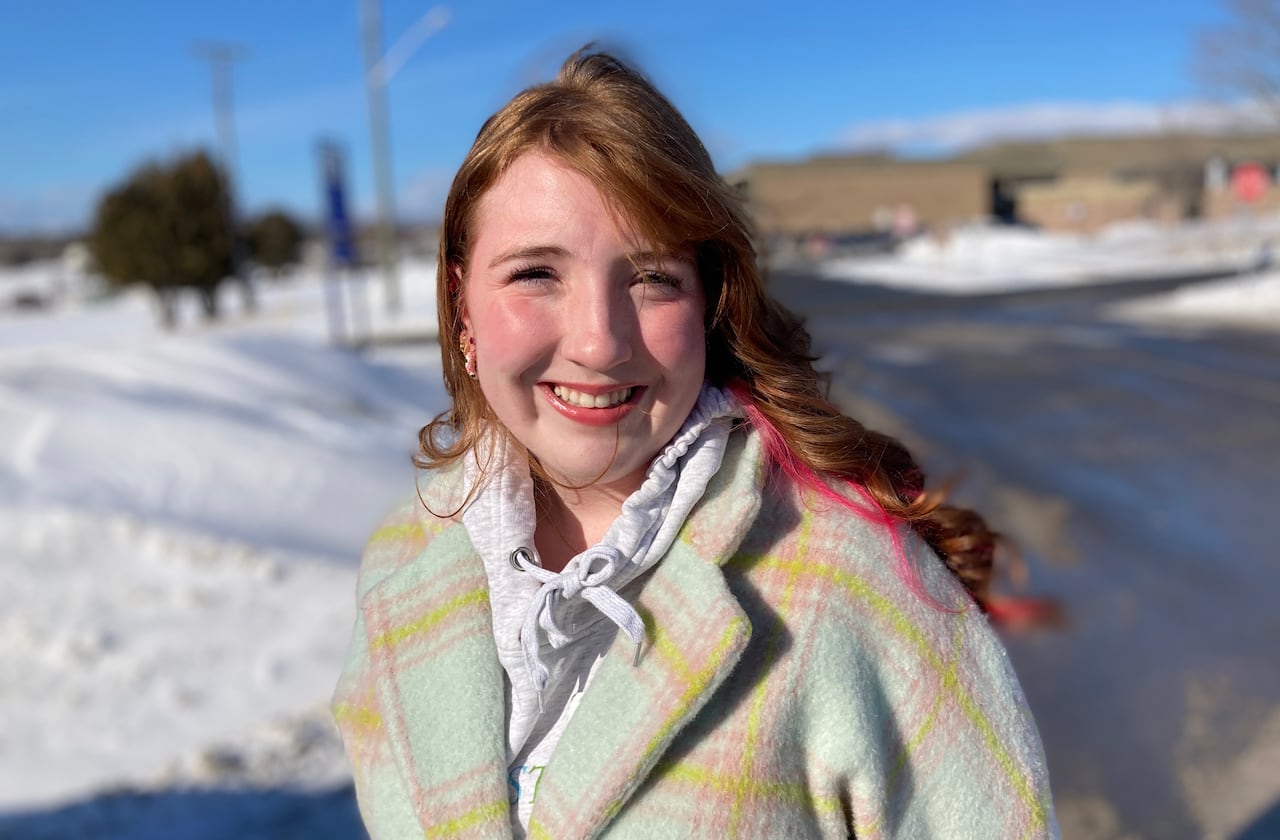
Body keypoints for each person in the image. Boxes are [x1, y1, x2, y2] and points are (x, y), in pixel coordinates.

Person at [333, 47, 1058, 839]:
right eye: (537, 273)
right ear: (461, 304)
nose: (600, 343)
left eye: (650, 277)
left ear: (710, 303)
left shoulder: (852, 583)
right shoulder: (404, 566)